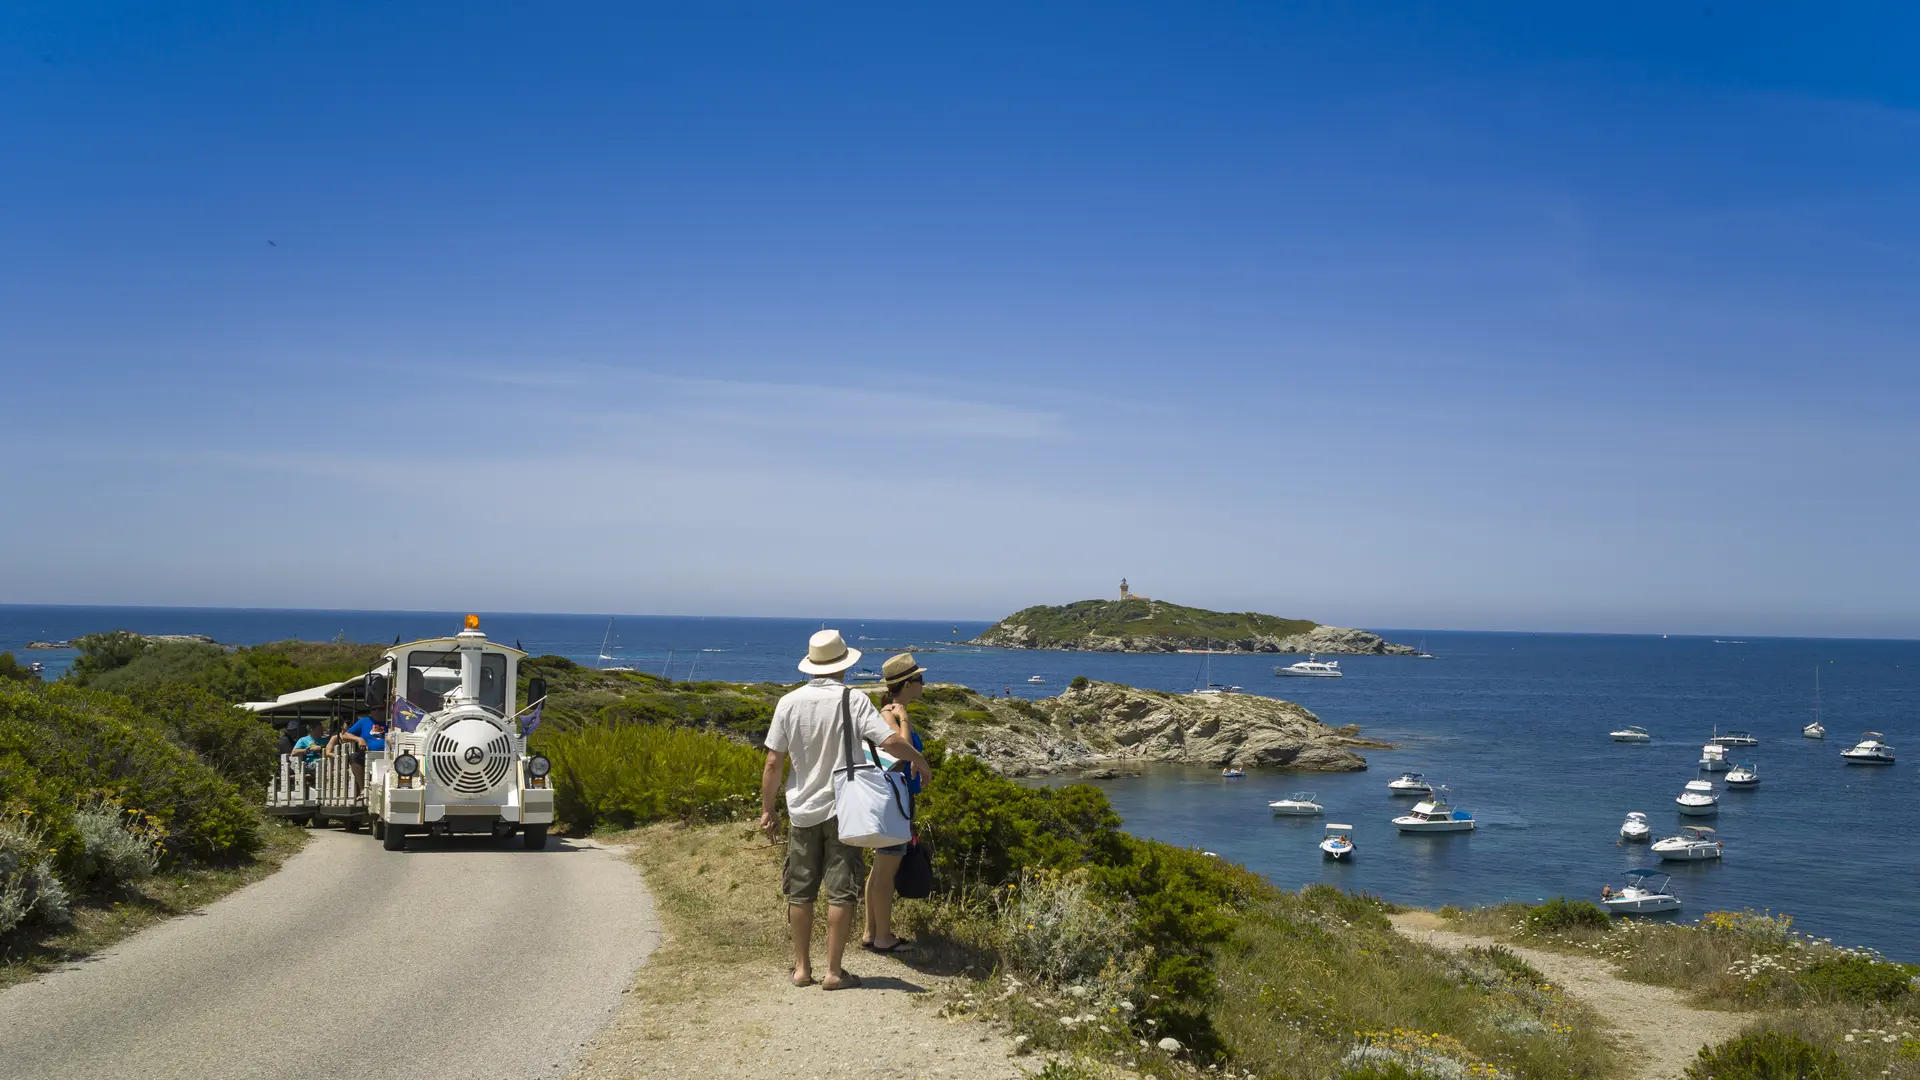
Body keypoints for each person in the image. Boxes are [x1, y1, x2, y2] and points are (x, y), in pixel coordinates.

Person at [760, 629, 930, 990]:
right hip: (844, 810)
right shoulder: (853, 700)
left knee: (800, 892)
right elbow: (888, 743)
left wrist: (768, 809)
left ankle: (802, 968)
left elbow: (774, 763)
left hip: (801, 810)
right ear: (843, 664)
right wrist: (920, 760)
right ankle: (834, 972)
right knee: (841, 891)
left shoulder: (788, 703)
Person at [863, 652, 927, 954]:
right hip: (894, 799)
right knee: (886, 869)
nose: (924, 683)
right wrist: (903, 718)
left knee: (880, 868)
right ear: (908, 683)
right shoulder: (890, 714)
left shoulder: (889, 711)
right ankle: (883, 936)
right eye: (920, 679)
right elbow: (898, 752)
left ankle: (870, 932)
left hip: (895, 798)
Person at [329, 708, 390, 793]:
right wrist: (359, 739)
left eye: (382, 708)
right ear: (371, 711)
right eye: (376, 709)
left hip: (390, 753)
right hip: (368, 753)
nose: (379, 711)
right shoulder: (364, 721)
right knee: (355, 757)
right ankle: (363, 789)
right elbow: (345, 736)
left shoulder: (392, 722)